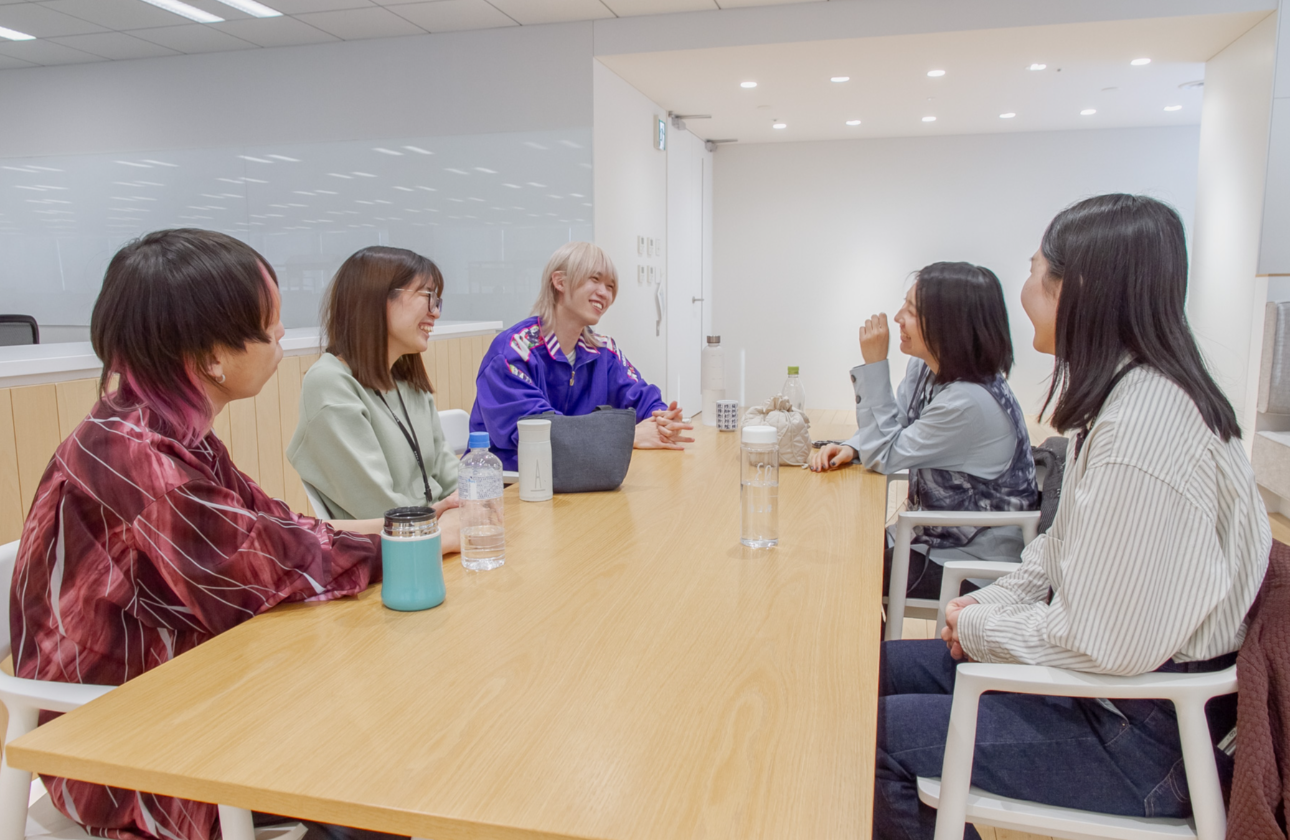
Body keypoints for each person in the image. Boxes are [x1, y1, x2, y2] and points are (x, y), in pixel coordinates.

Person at [873, 195, 1271, 839]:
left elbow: (1103, 643)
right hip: (1109, 692)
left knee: (866, 737)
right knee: (860, 678)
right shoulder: (1123, 398)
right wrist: (985, 608)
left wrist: (981, 629)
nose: (1024, 290)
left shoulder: (1145, 430)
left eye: (1035, 271)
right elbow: (1056, 555)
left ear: (1075, 289)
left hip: (1141, 734)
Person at [9, 229, 393, 840]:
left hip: (187, 691)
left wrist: (413, 524)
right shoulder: (138, 456)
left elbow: (274, 525)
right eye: (269, 326)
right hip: (121, 747)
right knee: (379, 759)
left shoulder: (170, 430)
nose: (282, 337)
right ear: (212, 356)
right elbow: (259, 567)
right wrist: (411, 545)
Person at [809, 262, 1037, 599]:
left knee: (845, 571)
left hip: (970, 561)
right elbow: (897, 421)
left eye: (912, 311)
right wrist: (854, 446)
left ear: (949, 324)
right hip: (930, 535)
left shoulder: (968, 402)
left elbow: (884, 453)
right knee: (835, 547)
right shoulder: (927, 367)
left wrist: (875, 366)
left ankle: (867, 635)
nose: (898, 317)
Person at [288, 246, 461, 553]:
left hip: (437, 540)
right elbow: (381, 511)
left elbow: (454, 482)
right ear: (378, 299)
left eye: (437, 300)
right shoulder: (330, 383)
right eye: (427, 296)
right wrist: (447, 518)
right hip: (386, 558)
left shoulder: (409, 383)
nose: (435, 312)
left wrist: (464, 508)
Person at [470, 241, 693, 470]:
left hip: (578, 476)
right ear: (560, 282)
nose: (604, 293)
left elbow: (642, 399)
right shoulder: (513, 353)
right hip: (512, 483)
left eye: (610, 286)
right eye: (595, 279)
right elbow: (541, 433)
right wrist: (629, 436)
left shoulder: (604, 351)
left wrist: (664, 420)